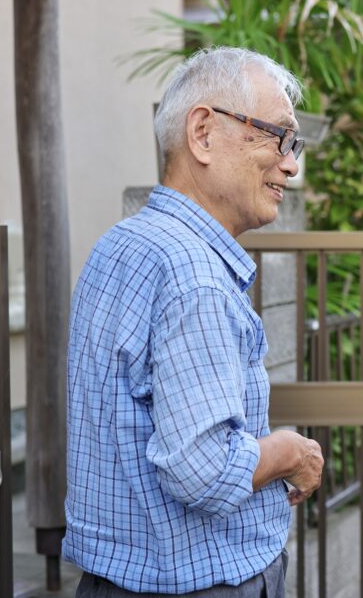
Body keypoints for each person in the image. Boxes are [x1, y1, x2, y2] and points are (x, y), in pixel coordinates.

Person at [64, 47, 324, 596]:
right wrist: (290, 452)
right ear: (203, 133)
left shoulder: (120, 244)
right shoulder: (194, 274)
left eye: (293, 144)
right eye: (278, 136)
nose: (291, 164)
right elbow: (204, 471)